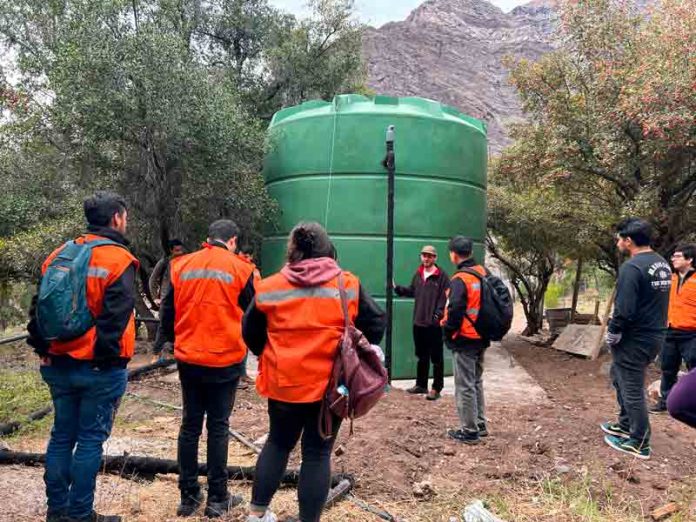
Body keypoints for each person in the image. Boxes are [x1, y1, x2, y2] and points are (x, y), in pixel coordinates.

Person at [242, 222, 386, 522]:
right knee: (318, 454)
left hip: (283, 385)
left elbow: (250, 330)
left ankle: (256, 514)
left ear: (293, 252)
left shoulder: (270, 286)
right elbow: (376, 323)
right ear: (328, 249)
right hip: (329, 390)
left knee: (278, 443)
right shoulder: (347, 284)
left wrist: (269, 353)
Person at [27, 191, 138, 522]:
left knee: (62, 435)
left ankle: (57, 510)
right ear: (117, 218)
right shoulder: (119, 260)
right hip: (98, 369)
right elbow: (115, 320)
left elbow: (40, 307)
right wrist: (104, 361)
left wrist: (43, 348)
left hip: (57, 363)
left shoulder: (60, 253)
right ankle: (80, 514)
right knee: (90, 441)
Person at [159, 219, 255, 518]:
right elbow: (254, 315)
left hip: (189, 358)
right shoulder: (242, 269)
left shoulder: (182, 265)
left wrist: (178, 342)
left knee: (189, 426)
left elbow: (167, 311)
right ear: (233, 241)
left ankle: (188, 498)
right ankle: (217, 499)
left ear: (208, 238)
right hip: (225, 360)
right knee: (218, 427)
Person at [601, 218, 672, 460]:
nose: (618, 242)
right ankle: (625, 424)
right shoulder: (661, 263)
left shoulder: (632, 268)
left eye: (619, 238)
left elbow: (625, 309)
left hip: (635, 338)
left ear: (628, 241)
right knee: (619, 377)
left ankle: (639, 441)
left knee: (631, 387)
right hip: (654, 334)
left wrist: (613, 331)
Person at [441, 236, 491, 445]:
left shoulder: (460, 278)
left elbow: (455, 311)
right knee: (476, 381)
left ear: (453, 254)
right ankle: (479, 424)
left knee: (465, 385)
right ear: (470, 251)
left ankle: (469, 431)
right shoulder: (483, 273)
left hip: (465, 338)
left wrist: (448, 332)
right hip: (482, 336)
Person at [395, 245, 449, 400]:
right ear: (421, 257)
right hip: (418, 322)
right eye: (424, 255)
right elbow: (413, 290)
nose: (426, 258)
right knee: (421, 355)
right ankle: (421, 385)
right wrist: (399, 289)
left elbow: (445, 298)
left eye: (430, 256)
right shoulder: (418, 274)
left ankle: (436, 388)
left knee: (436, 357)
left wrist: (437, 315)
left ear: (435, 258)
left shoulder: (442, 276)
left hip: (434, 325)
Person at [651, 243, 696, 413]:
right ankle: (665, 402)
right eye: (673, 256)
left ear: (690, 259)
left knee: (694, 370)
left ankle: (692, 404)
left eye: (677, 256)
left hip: (692, 334)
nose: (673, 259)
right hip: (669, 331)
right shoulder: (671, 278)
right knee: (668, 369)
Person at [149, 239, 185, 359]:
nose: (179, 252)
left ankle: (176, 352)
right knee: (163, 326)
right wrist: (155, 297)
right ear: (171, 250)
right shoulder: (164, 262)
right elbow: (152, 280)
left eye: (181, 250)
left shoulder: (186, 261)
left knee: (180, 325)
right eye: (176, 250)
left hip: (180, 299)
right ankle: (156, 354)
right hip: (166, 299)